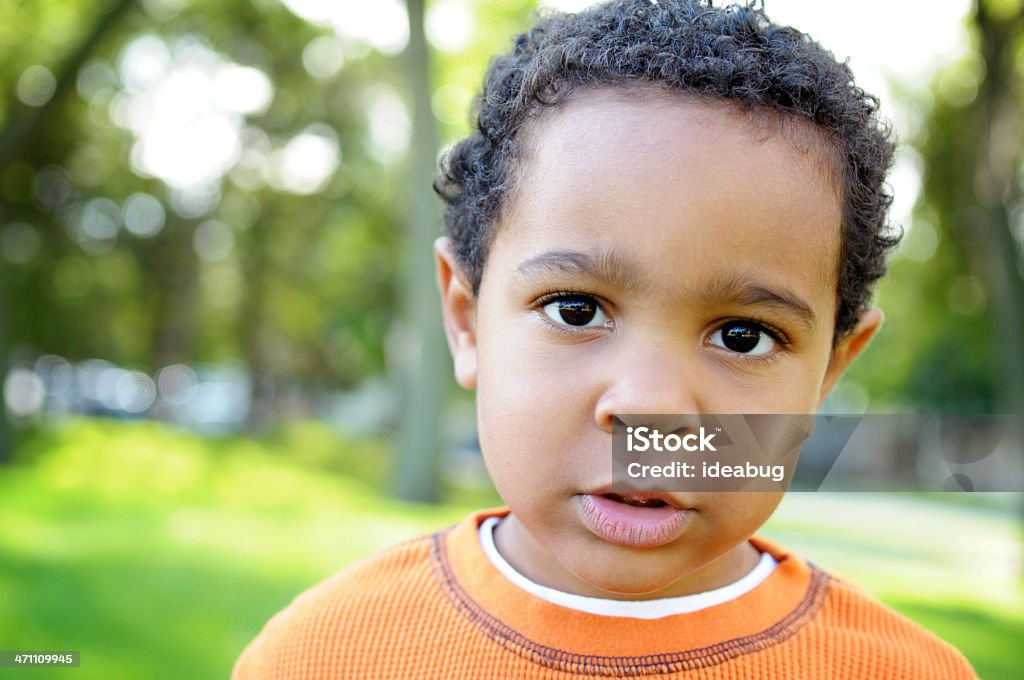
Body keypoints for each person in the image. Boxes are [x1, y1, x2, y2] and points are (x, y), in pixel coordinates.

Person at [233, 1, 977, 677]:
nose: (651, 408)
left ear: (827, 376)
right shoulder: (316, 657)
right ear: (466, 320)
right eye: (577, 311)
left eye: (744, 336)